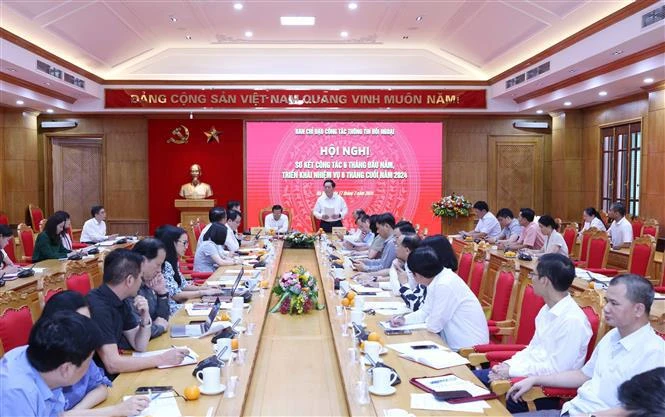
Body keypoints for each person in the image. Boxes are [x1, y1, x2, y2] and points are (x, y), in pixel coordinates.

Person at [508, 274, 665, 417]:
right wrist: (535, 379)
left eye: (614, 303)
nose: (606, 308)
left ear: (638, 309)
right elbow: (583, 375)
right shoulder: (612, 336)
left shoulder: (654, 352)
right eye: (606, 301)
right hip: (572, 410)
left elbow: (636, 409)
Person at [474, 254, 592, 411]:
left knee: (475, 396)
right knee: (469, 381)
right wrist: (508, 366)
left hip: (542, 392)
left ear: (545, 281)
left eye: (533, 274)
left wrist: (512, 371)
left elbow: (557, 370)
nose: (531, 278)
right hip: (524, 377)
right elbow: (532, 350)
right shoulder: (547, 309)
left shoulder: (572, 321)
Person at [39, 291, 149, 416]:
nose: (87, 328)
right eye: (81, 322)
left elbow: (101, 387)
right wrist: (116, 410)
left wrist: (77, 412)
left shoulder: (80, 346)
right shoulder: (44, 364)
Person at [87, 248, 189, 376]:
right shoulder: (98, 307)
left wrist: (145, 317)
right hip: (99, 380)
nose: (141, 282)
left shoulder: (120, 299)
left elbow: (139, 345)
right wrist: (162, 359)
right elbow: (112, 364)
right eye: (140, 277)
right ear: (129, 280)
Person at [0, 310, 101, 417]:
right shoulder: (17, 395)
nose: (90, 366)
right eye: (89, 361)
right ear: (66, 369)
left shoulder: (44, 357)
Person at [389, 245, 488, 350]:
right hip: (450, 344)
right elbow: (425, 312)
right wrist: (404, 320)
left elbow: (434, 325)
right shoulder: (437, 279)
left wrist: (425, 320)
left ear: (418, 274)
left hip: (468, 350)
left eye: (412, 274)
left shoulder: (444, 284)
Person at [155, 225, 222, 314]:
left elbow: (183, 285)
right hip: (171, 311)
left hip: (179, 304)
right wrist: (203, 292)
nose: (187, 247)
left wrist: (205, 288)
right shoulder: (162, 265)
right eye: (184, 243)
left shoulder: (174, 261)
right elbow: (176, 295)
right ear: (171, 242)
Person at [123, 238, 171, 343]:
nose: (159, 270)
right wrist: (159, 327)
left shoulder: (146, 282)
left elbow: (162, 319)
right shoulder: (127, 287)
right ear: (143, 261)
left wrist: (161, 293)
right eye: (158, 265)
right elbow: (138, 332)